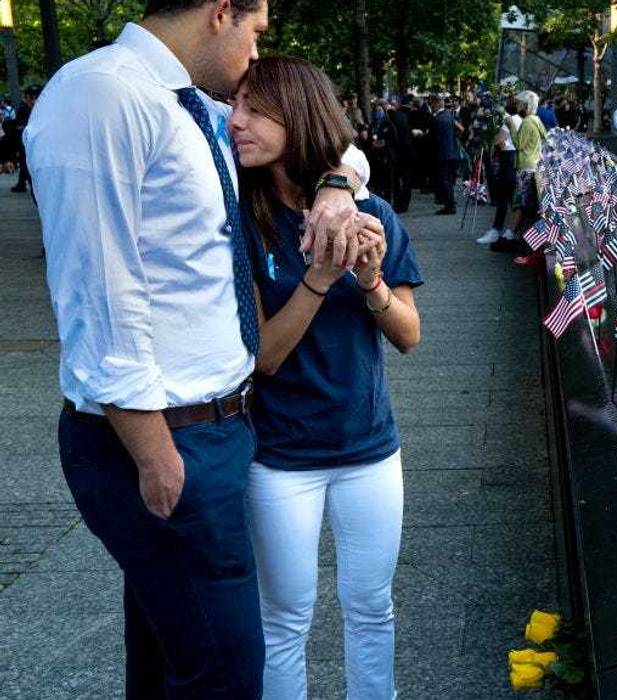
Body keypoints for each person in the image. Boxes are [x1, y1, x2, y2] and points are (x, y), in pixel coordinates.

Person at [24, 1, 373, 695]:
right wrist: (154, 454)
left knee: (169, 655)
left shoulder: (193, 109)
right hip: (162, 436)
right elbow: (99, 286)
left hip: (217, 429)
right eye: (256, 31)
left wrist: (336, 187)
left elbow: (332, 143)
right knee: (223, 670)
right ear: (222, 13)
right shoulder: (104, 93)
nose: (254, 51)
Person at [228, 56, 422, 700]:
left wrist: (368, 280)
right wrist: (319, 277)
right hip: (281, 456)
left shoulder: (375, 215)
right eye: (237, 105)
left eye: (255, 109)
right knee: (285, 619)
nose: (237, 121)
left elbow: (408, 335)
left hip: (369, 448)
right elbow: (265, 358)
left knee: (373, 607)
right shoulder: (242, 221)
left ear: (298, 115)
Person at [478, 96, 520, 247]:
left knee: (503, 196)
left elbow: (497, 140)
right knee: (509, 197)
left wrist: (497, 141)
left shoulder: (510, 120)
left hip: (508, 158)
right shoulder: (521, 120)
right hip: (514, 157)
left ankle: (497, 229)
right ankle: (503, 230)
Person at [509, 90, 547, 243]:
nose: (517, 105)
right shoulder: (536, 119)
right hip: (534, 164)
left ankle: (512, 234)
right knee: (528, 202)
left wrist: (511, 126)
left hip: (525, 165)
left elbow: (519, 145)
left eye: (519, 103)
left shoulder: (526, 122)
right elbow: (545, 137)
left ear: (526, 105)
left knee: (521, 202)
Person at [431, 95, 462, 215]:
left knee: (445, 180)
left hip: (442, 154)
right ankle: (450, 203)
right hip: (450, 152)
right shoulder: (449, 116)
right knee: (448, 180)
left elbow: (434, 139)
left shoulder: (438, 119)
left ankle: (449, 204)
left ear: (436, 104)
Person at [10, 86, 36, 193]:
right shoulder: (28, 108)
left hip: (24, 138)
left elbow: (20, 124)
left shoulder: (23, 108)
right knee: (25, 161)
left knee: (24, 161)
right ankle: (23, 183)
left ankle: (23, 183)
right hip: (27, 138)